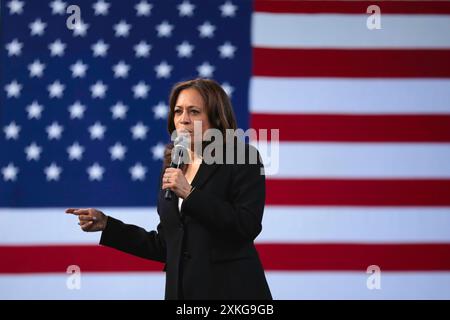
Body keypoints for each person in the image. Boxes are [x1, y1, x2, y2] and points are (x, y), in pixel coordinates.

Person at [66, 78, 272, 300]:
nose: (183, 120)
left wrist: (190, 194)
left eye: (194, 112)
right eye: (178, 111)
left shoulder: (243, 157)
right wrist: (108, 226)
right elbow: (167, 245)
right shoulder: (174, 163)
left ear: (215, 118)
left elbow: (247, 226)